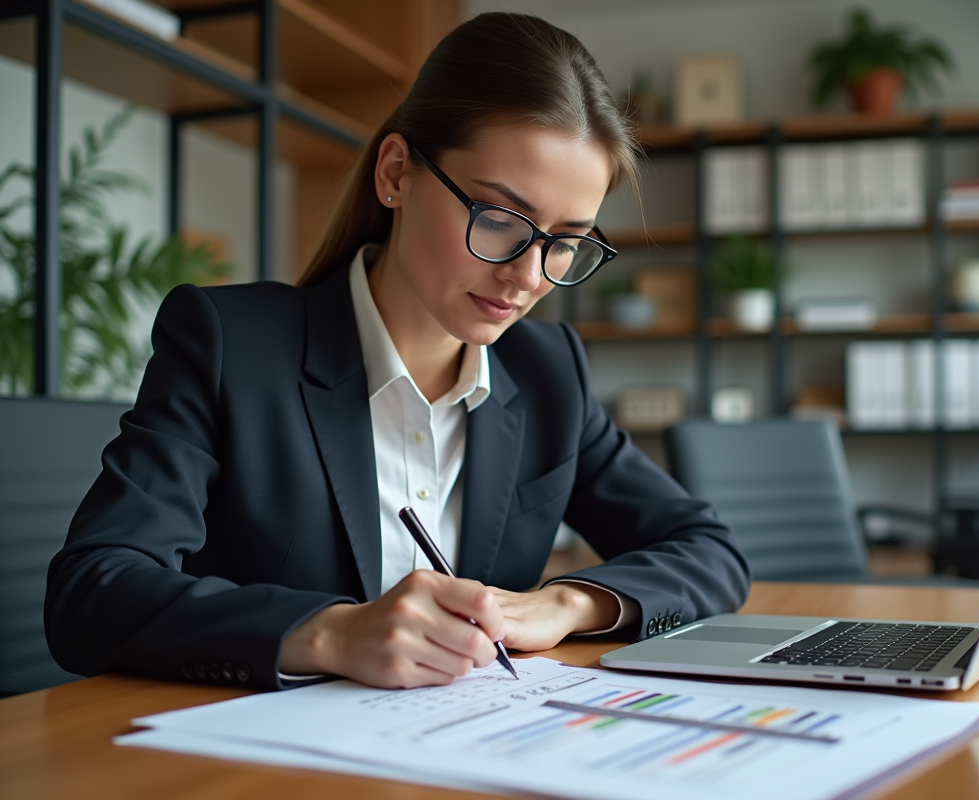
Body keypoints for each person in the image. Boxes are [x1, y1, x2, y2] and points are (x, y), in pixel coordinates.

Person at [45, 12, 750, 692]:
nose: (531, 276)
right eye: (500, 220)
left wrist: (563, 605)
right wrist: (330, 633)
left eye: (565, 241)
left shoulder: (547, 375)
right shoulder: (232, 345)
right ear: (395, 174)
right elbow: (91, 592)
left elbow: (710, 551)